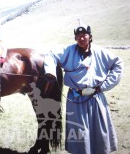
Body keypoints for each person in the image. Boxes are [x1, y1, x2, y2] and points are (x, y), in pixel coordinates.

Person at [44, 23, 124, 154]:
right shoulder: (69, 50)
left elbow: (118, 63)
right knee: (79, 131)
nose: (81, 39)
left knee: (99, 130)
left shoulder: (100, 51)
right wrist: (51, 71)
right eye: (78, 36)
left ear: (90, 37)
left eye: (84, 35)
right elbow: (51, 54)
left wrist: (104, 85)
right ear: (75, 39)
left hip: (96, 97)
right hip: (75, 99)